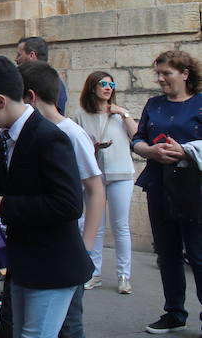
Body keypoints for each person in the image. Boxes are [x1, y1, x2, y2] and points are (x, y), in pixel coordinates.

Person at [0, 56, 92, 338]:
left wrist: (5, 205)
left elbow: (68, 204)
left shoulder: (49, 137)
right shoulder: (5, 139)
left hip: (52, 264)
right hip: (24, 262)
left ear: (0, 101)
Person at [18, 62, 104, 338]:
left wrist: (87, 242)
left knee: (69, 323)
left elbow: (95, 187)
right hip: (46, 245)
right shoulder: (33, 132)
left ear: (30, 97)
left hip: (71, 243)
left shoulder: (71, 133)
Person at [131, 50, 202, 335]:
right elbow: (137, 138)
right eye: (158, 74)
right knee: (167, 253)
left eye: (166, 74)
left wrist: (185, 150)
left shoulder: (200, 103)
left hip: (194, 189)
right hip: (159, 185)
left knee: (198, 254)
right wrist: (148, 150)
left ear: (185, 74)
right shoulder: (153, 104)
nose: (160, 79)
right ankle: (174, 313)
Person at [73, 71, 136, 294]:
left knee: (121, 226)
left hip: (121, 174)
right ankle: (94, 273)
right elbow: (75, 146)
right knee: (95, 226)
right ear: (92, 87)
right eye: (103, 84)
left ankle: (123, 276)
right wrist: (94, 147)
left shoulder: (120, 114)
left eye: (111, 84)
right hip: (94, 175)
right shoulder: (81, 115)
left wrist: (124, 113)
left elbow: (137, 136)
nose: (108, 87)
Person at [15, 37, 68, 114]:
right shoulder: (55, 82)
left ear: (31, 55)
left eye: (19, 55)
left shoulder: (52, 83)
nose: (16, 59)